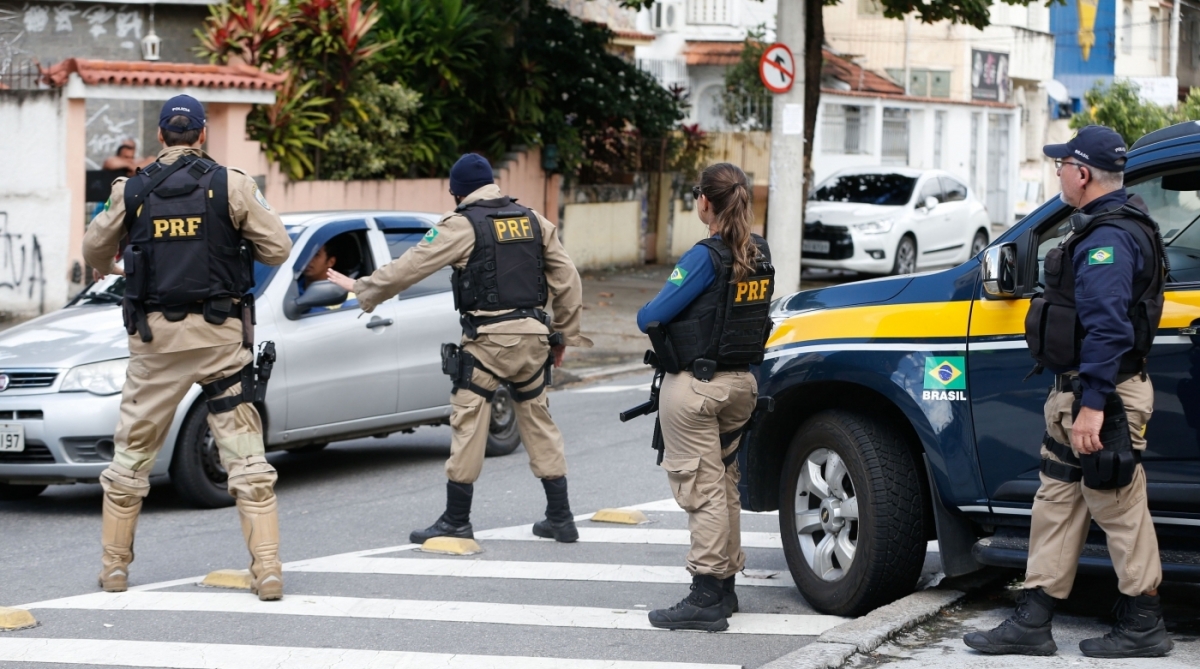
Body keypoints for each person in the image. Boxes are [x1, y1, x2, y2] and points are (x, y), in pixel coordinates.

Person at [964, 125, 1172, 658]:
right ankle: (1033, 618)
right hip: (1079, 395)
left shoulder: (1109, 239)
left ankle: (1144, 623)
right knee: (1057, 500)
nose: (1057, 171)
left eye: (1062, 164)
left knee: (1118, 504)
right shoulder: (1109, 227)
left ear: (1082, 174)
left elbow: (1107, 329)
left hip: (1104, 396)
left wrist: (1094, 407)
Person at [83, 95, 293, 601]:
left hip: (155, 345)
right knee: (245, 459)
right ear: (202, 135)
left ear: (160, 136)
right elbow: (278, 248)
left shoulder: (130, 189)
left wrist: (118, 263)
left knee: (130, 458)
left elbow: (93, 248)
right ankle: (267, 571)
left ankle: (114, 570)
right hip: (220, 340)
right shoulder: (232, 184)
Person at [327, 153, 592, 545]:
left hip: (489, 342)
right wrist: (563, 335)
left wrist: (363, 288)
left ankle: (456, 519)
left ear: (456, 192)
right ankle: (560, 517)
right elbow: (567, 279)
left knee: (468, 422)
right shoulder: (535, 220)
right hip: (534, 337)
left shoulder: (462, 224)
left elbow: (411, 266)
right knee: (538, 421)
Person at [635, 163, 774, 632]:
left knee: (701, 488)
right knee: (725, 484)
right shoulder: (760, 252)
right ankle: (727, 585)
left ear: (706, 203)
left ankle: (707, 593)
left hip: (697, 387)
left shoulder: (703, 257)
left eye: (698, 194)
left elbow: (652, 315)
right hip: (742, 386)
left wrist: (648, 311)